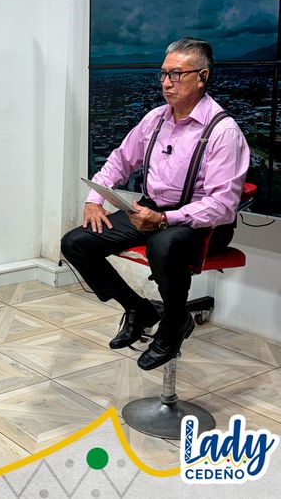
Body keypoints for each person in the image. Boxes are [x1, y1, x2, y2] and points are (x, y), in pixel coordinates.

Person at [61, 37, 250, 370]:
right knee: (76, 243)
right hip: (151, 211)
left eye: (176, 74)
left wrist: (165, 220)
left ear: (202, 77)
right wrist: (94, 200)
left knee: (163, 246)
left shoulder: (223, 132)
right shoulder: (155, 119)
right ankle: (139, 308)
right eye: (163, 74)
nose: (166, 82)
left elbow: (222, 206)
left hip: (203, 223)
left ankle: (175, 324)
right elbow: (119, 160)